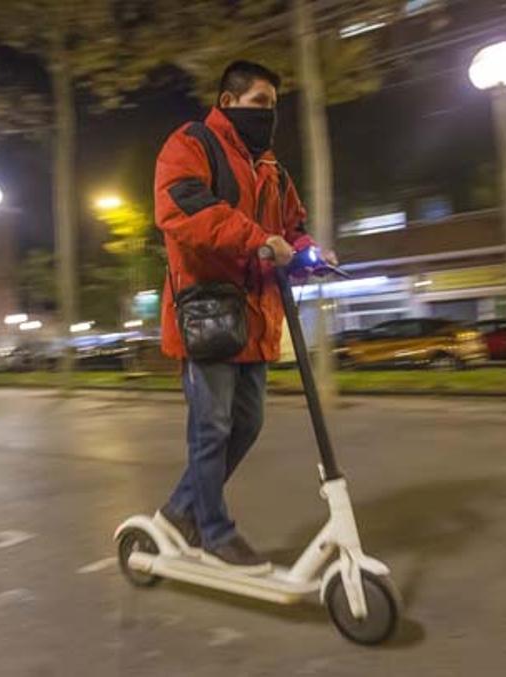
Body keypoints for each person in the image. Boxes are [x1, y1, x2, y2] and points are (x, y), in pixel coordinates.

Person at [152, 60, 334, 573]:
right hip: (208, 312)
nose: (268, 115)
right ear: (228, 103)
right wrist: (259, 241)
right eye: (259, 103)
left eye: (274, 106)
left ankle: (179, 512)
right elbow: (183, 209)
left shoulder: (271, 167)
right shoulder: (190, 144)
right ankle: (214, 532)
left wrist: (308, 252)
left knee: (247, 423)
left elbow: (292, 226)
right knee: (210, 427)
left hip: (256, 317)